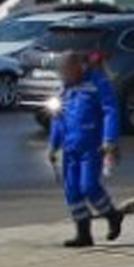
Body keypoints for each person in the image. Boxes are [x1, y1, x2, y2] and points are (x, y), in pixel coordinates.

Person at [47, 51, 123, 247]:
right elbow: (57, 117)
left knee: (88, 186)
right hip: (70, 146)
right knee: (71, 191)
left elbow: (110, 110)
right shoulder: (64, 89)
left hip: (92, 146)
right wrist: (53, 145)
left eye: (66, 71)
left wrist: (109, 139)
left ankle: (112, 215)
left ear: (77, 67)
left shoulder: (97, 82)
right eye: (62, 72)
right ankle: (83, 234)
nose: (64, 75)